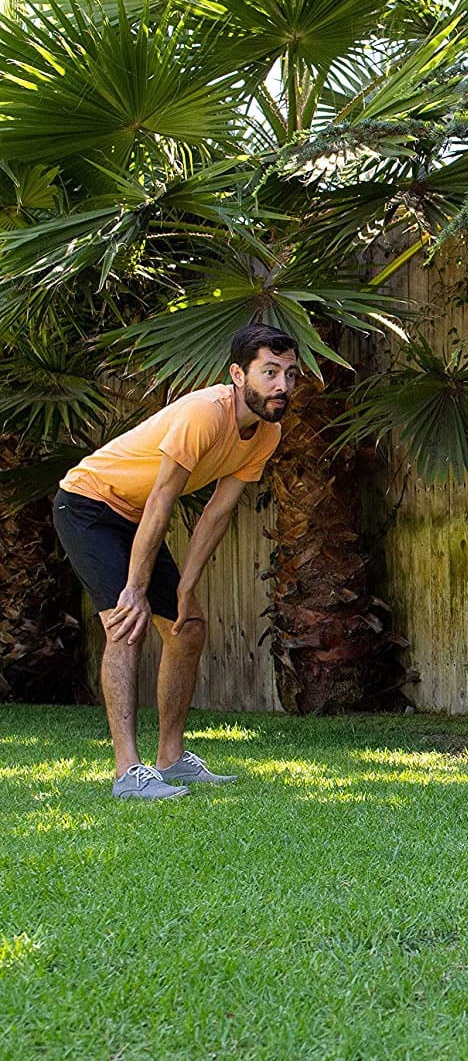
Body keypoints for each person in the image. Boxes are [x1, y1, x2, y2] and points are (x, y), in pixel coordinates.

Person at [51, 324, 301, 799]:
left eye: (290, 374)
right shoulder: (204, 414)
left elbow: (217, 512)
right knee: (126, 622)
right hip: (88, 504)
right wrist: (135, 588)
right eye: (270, 372)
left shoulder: (267, 432)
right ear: (237, 374)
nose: (282, 386)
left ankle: (171, 759)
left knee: (188, 627)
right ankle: (128, 772)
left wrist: (186, 587)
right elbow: (163, 500)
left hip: (135, 515)